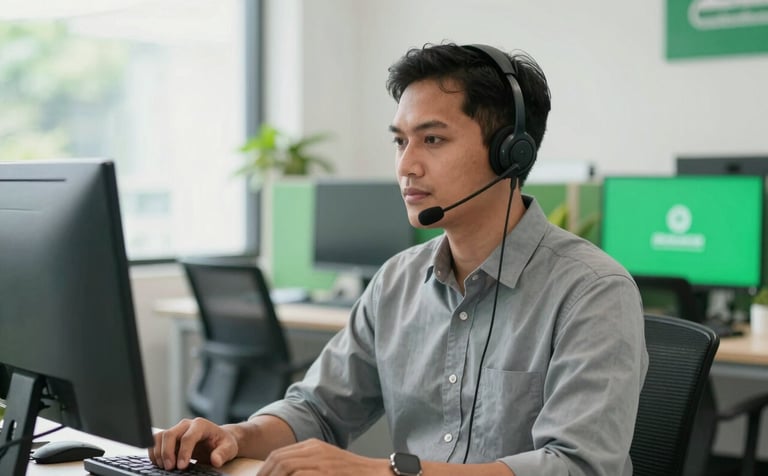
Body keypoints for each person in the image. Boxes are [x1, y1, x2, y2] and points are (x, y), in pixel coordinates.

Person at [150, 42, 648, 476]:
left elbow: (577, 467)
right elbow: (317, 408)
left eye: (432, 139)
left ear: (509, 153)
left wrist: (386, 472)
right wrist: (237, 435)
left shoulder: (592, 291)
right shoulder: (398, 282)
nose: (406, 165)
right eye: (400, 141)